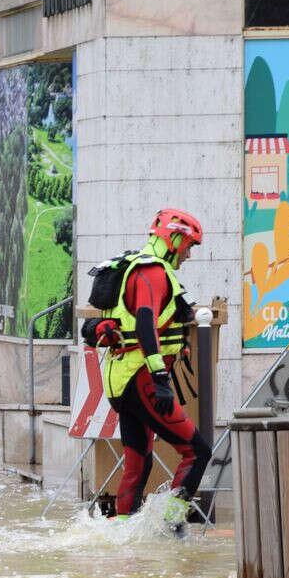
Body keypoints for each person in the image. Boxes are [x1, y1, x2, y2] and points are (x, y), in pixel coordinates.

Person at [87, 208, 212, 531]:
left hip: (121, 379)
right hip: (141, 378)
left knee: (137, 460)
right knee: (197, 452)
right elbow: (145, 323)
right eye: (189, 245)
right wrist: (159, 377)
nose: (188, 254)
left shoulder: (136, 267)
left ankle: (122, 532)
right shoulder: (153, 272)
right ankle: (171, 526)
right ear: (174, 238)